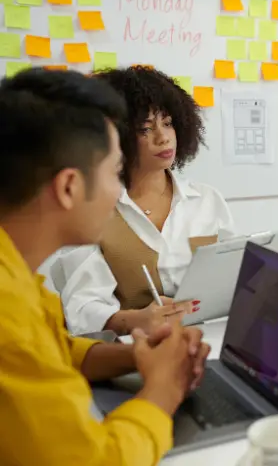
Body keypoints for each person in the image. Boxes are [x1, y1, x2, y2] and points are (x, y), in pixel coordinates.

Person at [0, 67, 210, 465]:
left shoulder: (14, 273)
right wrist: (162, 390)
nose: (121, 191)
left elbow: (57, 349)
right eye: (115, 173)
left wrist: (135, 357)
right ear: (68, 188)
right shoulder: (6, 314)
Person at [58, 66, 235, 335]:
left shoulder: (207, 200)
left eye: (167, 123)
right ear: (115, 138)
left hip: (210, 340)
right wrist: (137, 319)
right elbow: (83, 308)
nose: (163, 137)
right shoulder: (89, 212)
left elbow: (238, 278)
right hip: (132, 351)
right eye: (145, 129)